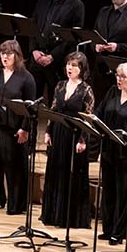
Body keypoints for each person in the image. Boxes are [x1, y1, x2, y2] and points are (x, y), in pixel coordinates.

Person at [0, 40, 36, 213]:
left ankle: (16, 204)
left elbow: (30, 107)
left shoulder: (26, 77)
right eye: (2, 53)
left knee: (14, 168)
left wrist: (25, 128)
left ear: (17, 56)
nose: (5, 57)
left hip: (13, 128)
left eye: (9, 54)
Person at [40, 51, 95, 229]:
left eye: (74, 65)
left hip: (74, 137)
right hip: (58, 133)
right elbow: (53, 109)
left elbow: (88, 117)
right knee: (56, 172)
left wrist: (83, 139)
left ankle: (69, 217)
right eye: (68, 65)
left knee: (71, 174)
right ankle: (53, 214)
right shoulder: (60, 85)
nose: (70, 68)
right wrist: (48, 131)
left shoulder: (86, 89)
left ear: (82, 69)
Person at [95, 61, 127, 244]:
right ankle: (108, 229)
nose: (119, 79)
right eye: (117, 75)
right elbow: (99, 113)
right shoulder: (112, 92)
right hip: (108, 150)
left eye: (123, 76)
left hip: (126, 153)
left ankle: (119, 231)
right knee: (108, 191)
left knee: (122, 193)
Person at [31, 0, 86, 101]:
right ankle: (30, 123)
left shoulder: (76, 5)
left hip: (56, 60)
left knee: (54, 99)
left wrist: (52, 56)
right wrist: (34, 50)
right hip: (38, 57)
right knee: (32, 98)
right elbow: (34, 25)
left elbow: (73, 38)